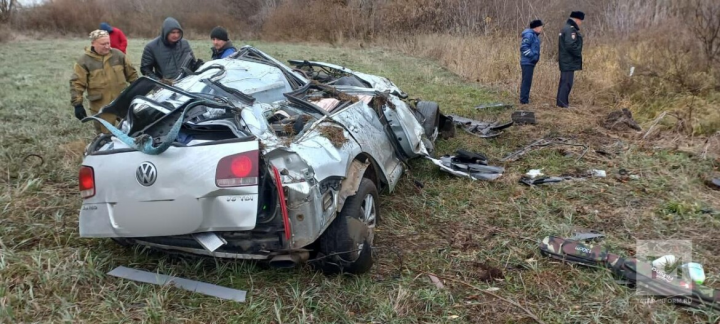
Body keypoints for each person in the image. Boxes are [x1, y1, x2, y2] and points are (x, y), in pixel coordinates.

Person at [70, 30, 138, 134]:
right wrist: (77, 105)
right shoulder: (84, 61)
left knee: (134, 131)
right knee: (105, 137)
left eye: (108, 43)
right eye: (103, 44)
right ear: (93, 43)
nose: (107, 46)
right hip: (101, 107)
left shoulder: (118, 55)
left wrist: (137, 89)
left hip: (123, 103)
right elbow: (77, 83)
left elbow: (132, 75)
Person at [141, 17, 200, 85]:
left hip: (187, 83)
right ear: (166, 32)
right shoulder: (151, 47)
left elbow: (192, 63)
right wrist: (159, 82)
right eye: (173, 32)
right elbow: (145, 69)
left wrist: (199, 66)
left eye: (178, 32)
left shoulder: (184, 43)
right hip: (166, 87)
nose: (176, 35)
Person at [556, 11, 585, 108]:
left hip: (566, 60)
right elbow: (570, 45)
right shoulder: (570, 30)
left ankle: (561, 103)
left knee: (564, 82)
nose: (581, 23)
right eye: (581, 21)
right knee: (567, 83)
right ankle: (563, 104)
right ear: (577, 19)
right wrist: (578, 54)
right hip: (568, 61)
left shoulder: (566, 28)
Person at [519, 19, 543, 105]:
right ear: (536, 27)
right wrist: (533, 56)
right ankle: (524, 100)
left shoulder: (534, 36)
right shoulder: (529, 35)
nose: (541, 29)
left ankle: (525, 98)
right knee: (526, 81)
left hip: (530, 62)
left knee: (527, 81)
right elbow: (524, 48)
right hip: (527, 62)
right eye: (540, 27)